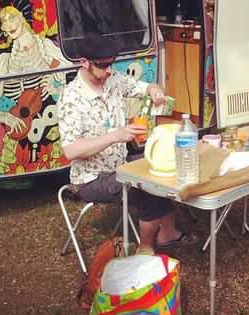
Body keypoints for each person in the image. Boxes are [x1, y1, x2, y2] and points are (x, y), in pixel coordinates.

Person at [57, 34, 199, 254]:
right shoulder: (71, 99)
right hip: (91, 178)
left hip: (120, 164)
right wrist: (116, 135)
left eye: (112, 63)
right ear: (84, 62)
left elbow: (143, 87)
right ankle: (145, 249)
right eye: (103, 65)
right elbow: (71, 150)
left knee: (163, 168)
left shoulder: (111, 80)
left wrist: (153, 89)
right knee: (148, 190)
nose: (109, 70)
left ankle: (167, 233)